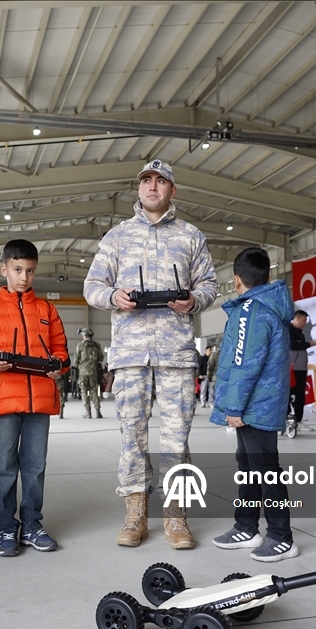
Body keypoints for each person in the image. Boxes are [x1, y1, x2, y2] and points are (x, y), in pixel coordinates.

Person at [84, 160, 218, 549]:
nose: (153, 187)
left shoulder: (191, 236)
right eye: (146, 181)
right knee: (132, 437)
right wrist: (113, 297)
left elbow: (210, 284)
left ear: (173, 190)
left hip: (176, 352)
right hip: (129, 353)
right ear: (138, 189)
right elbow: (93, 284)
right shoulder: (117, 237)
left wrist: (193, 300)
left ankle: (176, 517)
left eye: (161, 181)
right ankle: (135, 514)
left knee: (177, 439)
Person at [0, 239, 69, 556]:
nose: (24, 277)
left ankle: (32, 525)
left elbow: (61, 351)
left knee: (35, 467)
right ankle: (7, 528)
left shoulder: (47, 310)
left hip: (39, 401)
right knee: (4, 468)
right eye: (18, 269)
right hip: (3, 402)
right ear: (4, 269)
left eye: (31, 271)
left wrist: (58, 367)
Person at [210, 248, 299, 561]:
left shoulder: (251, 310)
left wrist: (233, 407)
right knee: (248, 467)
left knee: (265, 471)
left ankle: (281, 536)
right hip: (260, 403)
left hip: (254, 406)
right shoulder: (266, 306)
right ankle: (246, 526)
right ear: (267, 277)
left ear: (236, 280)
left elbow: (245, 363)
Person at [289, 310, 316, 431]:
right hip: (293, 369)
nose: (305, 323)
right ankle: (291, 418)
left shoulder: (300, 333)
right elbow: (293, 345)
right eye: (304, 320)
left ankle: (299, 419)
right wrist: (309, 344)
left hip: (301, 368)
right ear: (297, 319)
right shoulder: (289, 331)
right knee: (293, 395)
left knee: (301, 395)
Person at [75, 327, 105, 418]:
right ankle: (98, 412)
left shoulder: (80, 345)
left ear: (84, 335)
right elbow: (101, 358)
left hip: (83, 373)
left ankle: (88, 412)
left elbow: (76, 360)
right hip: (93, 372)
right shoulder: (97, 345)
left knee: (84, 392)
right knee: (95, 391)